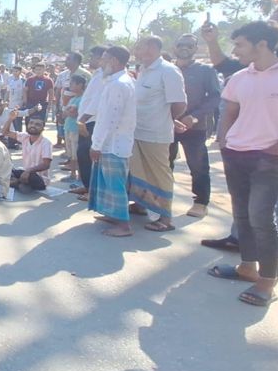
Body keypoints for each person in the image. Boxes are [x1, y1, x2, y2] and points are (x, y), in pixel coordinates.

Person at [207, 21, 278, 307]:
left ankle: (267, 283)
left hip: (268, 160)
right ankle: (247, 267)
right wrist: (225, 141)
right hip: (236, 155)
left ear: (261, 45)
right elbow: (229, 112)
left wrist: (276, 150)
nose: (235, 50)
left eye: (240, 44)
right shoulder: (239, 77)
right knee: (243, 215)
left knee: (262, 219)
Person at [128, 36, 187, 232]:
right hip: (138, 130)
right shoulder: (143, 70)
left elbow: (179, 104)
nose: (136, 50)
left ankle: (165, 217)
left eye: (139, 47)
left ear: (152, 48)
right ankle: (141, 203)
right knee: (139, 170)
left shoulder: (168, 71)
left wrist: (167, 120)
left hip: (156, 133)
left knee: (159, 174)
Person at [85, 46, 138, 237]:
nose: (101, 62)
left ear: (114, 61)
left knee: (115, 184)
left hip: (113, 143)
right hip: (114, 141)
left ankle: (123, 225)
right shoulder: (118, 81)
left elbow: (109, 119)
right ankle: (113, 215)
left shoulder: (118, 84)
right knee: (108, 181)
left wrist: (96, 144)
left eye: (104, 59)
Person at [169, 34, 221, 218]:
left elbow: (215, 97)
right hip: (167, 125)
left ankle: (200, 202)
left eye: (189, 46)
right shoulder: (168, 69)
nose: (185, 48)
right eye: (181, 44)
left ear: (195, 49)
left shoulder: (205, 70)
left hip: (194, 127)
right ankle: (158, 199)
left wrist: (194, 117)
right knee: (163, 164)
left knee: (198, 165)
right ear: (174, 47)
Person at [72, 46, 108, 200]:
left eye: (93, 56)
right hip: (85, 120)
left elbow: (99, 100)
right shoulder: (98, 74)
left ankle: (93, 190)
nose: (90, 59)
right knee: (82, 154)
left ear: (101, 58)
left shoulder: (105, 76)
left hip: (93, 121)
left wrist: (84, 118)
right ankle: (87, 186)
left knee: (90, 155)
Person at [0, 113, 52, 192]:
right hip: (25, 173)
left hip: (39, 179)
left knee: (29, 180)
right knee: (6, 169)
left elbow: (46, 165)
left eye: (37, 124)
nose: (33, 126)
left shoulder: (46, 143)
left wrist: (29, 171)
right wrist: (10, 119)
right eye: (31, 123)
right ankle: (18, 183)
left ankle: (16, 182)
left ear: (43, 128)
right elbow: (5, 132)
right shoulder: (25, 137)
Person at [61, 75, 87, 182]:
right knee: (71, 153)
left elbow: (74, 114)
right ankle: (72, 174)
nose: (70, 85)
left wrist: (69, 112)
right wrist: (68, 112)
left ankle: (80, 176)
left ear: (80, 85)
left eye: (72, 83)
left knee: (77, 154)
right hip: (68, 127)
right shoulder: (73, 99)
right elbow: (65, 114)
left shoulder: (83, 99)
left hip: (76, 129)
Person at [7, 66, 26, 131]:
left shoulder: (23, 81)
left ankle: (19, 137)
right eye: (13, 71)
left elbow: (24, 92)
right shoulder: (11, 81)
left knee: (18, 122)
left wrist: (24, 102)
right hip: (11, 104)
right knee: (12, 122)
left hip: (18, 104)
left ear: (20, 72)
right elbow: (8, 91)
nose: (14, 73)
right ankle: (13, 138)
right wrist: (5, 100)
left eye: (16, 71)